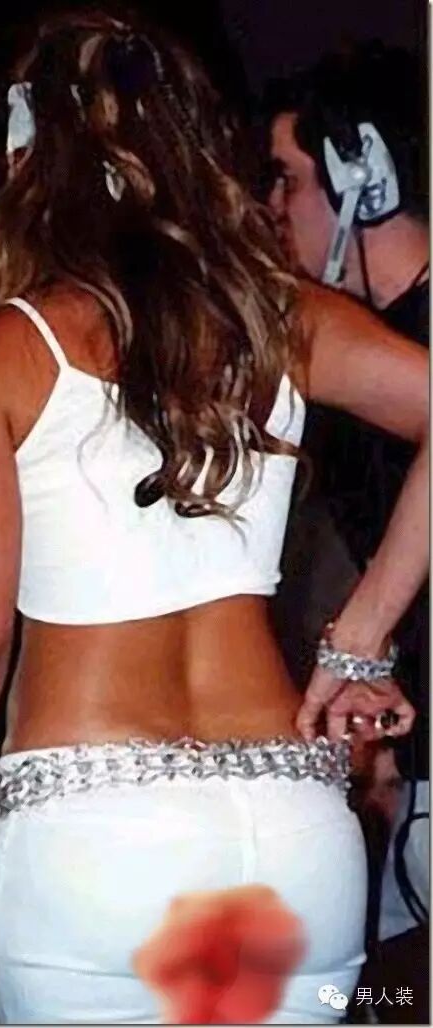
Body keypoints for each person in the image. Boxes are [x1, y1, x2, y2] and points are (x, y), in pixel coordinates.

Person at [0, 10, 427, 1024]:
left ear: (30, 157)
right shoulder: (278, 317)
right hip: (292, 835)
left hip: (90, 846)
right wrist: (360, 637)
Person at [265, 42, 429, 952]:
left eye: (289, 179)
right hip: (411, 771)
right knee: (378, 991)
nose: (273, 207)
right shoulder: (365, 350)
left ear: (366, 176)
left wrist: (359, 640)